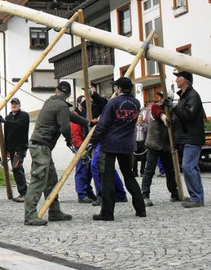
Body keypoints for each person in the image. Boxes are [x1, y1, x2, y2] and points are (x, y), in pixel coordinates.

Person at [24, 81, 89, 226]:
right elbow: (65, 126)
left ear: (56, 90)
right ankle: (30, 215)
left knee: (51, 180)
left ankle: (54, 211)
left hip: (41, 146)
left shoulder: (52, 102)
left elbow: (70, 116)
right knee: (39, 179)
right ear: (69, 95)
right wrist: (69, 140)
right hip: (41, 146)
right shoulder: (61, 105)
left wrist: (87, 123)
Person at [92, 77, 145, 221]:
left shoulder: (113, 103)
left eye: (115, 87)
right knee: (129, 175)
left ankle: (107, 213)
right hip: (127, 144)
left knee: (107, 178)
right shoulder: (136, 103)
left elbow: (102, 124)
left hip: (110, 143)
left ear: (119, 89)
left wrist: (93, 140)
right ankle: (141, 209)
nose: (114, 89)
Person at [170, 71, 206, 208]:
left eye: (178, 77)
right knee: (193, 167)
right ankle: (198, 196)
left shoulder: (193, 96)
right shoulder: (185, 96)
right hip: (188, 136)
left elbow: (188, 116)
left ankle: (196, 197)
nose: (176, 80)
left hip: (192, 137)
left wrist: (174, 107)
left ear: (184, 80)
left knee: (188, 166)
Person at [141, 92, 179, 206]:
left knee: (170, 171)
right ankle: (145, 195)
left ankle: (174, 193)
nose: (160, 99)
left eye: (163, 97)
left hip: (166, 145)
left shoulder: (173, 111)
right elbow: (159, 114)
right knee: (149, 170)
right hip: (153, 144)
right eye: (160, 97)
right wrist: (165, 118)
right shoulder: (155, 107)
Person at [2, 97, 30, 203]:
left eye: (16, 104)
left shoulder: (24, 116)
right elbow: (6, 134)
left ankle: (24, 193)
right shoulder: (8, 117)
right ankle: (24, 191)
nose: (14, 105)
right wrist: (6, 149)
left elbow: (18, 125)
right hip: (12, 148)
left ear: (19, 105)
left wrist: (5, 121)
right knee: (18, 168)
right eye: (12, 104)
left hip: (20, 147)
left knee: (16, 167)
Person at [71, 95, 97, 203]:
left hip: (88, 145)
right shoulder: (76, 116)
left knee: (89, 170)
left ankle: (88, 191)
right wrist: (82, 147)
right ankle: (82, 194)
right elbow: (75, 134)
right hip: (81, 146)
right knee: (81, 169)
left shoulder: (87, 115)